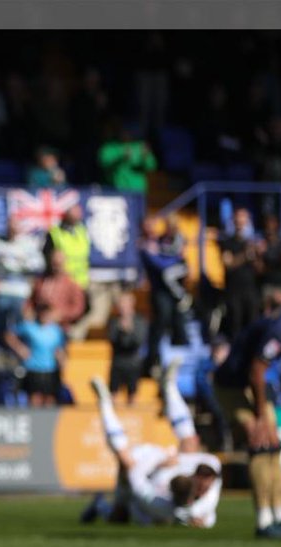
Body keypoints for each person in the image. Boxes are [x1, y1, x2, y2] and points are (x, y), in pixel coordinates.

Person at [213, 284, 281, 539]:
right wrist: (260, 417)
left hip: (252, 385)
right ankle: (264, 521)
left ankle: (280, 516)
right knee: (259, 444)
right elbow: (257, 371)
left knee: (274, 446)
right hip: (231, 386)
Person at [84, 364, 222, 527]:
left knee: (125, 469)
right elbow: (209, 511)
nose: (203, 489)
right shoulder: (209, 479)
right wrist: (176, 458)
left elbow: (135, 474)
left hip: (145, 474)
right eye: (200, 486)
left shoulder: (156, 503)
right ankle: (169, 387)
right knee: (190, 442)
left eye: (200, 489)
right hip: (162, 459)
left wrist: (160, 463)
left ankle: (104, 404)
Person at [140, 215, 190, 374]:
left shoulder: (162, 243)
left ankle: (181, 362)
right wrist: (175, 260)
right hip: (160, 292)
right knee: (162, 321)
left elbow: (183, 262)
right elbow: (161, 266)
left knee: (180, 322)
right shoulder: (145, 246)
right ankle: (153, 362)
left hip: (174, 291)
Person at [0, 215, 44, 335]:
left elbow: (38, 265)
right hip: (2, 289)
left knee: (20, 326)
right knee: (0, 325)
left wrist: (22, 263)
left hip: (21, 291)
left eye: (15, 224)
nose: (12, 228)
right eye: (10, 224)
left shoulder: (28, 243)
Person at [6, 302, 67, 407]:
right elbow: (9, 335)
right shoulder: (29, 327)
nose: (46, 317)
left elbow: (59, 348)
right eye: (43, 313)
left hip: (50, 369)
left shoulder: (56, 330)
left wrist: (61, 360)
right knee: (35, 398)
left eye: (48, 314)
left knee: (50, 399)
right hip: (33, 368)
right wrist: (20, 349)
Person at [219, 207, 262, 339]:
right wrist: (245, 255)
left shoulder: (253, 242)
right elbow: (228, 264)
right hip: (233, 291)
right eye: (238, 217)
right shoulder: (227, 241)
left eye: (243, 218)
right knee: (235, 326)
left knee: (253, 325)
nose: (240, 221)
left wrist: (258, 255)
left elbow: (259, 269)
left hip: (251, 289)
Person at [29, 249, 86, 330]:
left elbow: (78, 309)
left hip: (60, 326)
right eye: (54, 264)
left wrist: (59, 315)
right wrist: (29, 312)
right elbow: (30, 302)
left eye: (59, 264)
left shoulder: (73, 285)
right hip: (37, 322)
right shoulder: (41, 281)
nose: (56, 267)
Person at [107, 292, 147, 405]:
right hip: (117, 363)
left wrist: (128, 331)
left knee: (133, 395)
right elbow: (112, 340)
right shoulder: (114, 322)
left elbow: (139, 341)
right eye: (120, 303)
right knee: (113, 394)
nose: (122, 306)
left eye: (125, 303)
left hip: (133, 363)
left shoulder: (139, 321)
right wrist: (121, 331)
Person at [97, 121, 157, 194]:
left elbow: (152, 167)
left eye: (130, 130)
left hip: (139, 191)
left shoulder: (140, 146)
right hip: (117, 190)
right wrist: (121, 155)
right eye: (124, 130)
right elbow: (103, 162)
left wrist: (145, 157)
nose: (127, 133)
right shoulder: (110, 147)